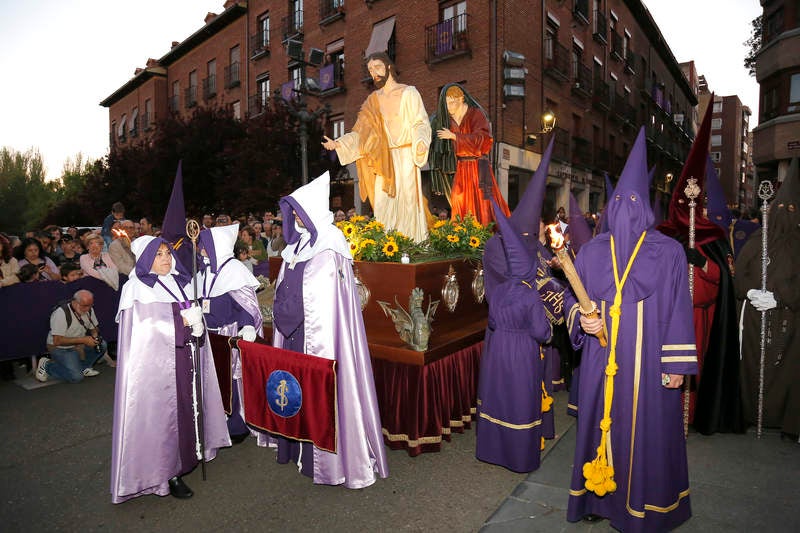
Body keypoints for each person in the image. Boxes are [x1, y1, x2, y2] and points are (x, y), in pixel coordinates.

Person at [566, 129, 697, 531]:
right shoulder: (590, 251)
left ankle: (645, 508)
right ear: (609, 207)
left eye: (634, 201)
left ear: (647, 210)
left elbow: (679, 309)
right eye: (619, 201)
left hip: (648, 366)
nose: (626, 209)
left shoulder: (670, 252)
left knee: (646, 434)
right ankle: (596, 499)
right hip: (600, 362)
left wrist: (677, 365)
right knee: (598, 427)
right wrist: (581, 319)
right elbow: (573, 301)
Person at [263, 171, 388, 488]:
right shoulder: (297, 246)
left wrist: (290, 314)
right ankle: (297, 448)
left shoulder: (330, 245)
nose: (293, 218)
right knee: (295, 390)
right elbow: (284, 288)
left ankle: (326, 459)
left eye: (298, 212)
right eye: (292, 213)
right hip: (293, 334)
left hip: (319, 337)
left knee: (319, 391)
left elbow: (321, 297)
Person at [111, 236, 230, 503]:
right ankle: (167, 472)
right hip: (158, 369)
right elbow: (147, 333)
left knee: (187, 409)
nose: (166, 259)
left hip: (184, 358)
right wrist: (183, 321)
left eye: (167, 253)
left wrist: (195, 320)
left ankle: (189, 454)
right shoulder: (137, 289)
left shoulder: (177, 282)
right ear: (145, 260)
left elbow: (188, 314)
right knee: (164, 417)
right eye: (158, 255)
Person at [656, 104, 743, 435]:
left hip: (699, 317)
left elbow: (721, 280)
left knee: (695, 367)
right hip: (667, 318)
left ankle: (691, 416)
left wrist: (702, 262)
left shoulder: (712, 238)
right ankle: (667, 416)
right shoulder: (665, 236)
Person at [322, 52, 432, 242]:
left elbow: (420, 123)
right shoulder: (373, 100)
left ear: (389, 67)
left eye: (378, 67)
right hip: (382, 159)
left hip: (405, 155)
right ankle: (387, 245)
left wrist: (421, 142)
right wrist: (339, 143)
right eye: (371, 70)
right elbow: (360, 132)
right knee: (383, 204)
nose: (374, 73)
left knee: (407, 202)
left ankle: (413, 244)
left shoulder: (408, 92)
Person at [476, 201, 552, 473]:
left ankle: (492, 450)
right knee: (521, 401)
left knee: (499, 398)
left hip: (499, 350)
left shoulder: (498, 291)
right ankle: (519, 457)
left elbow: (493, 321)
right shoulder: (530, 294)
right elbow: (541, 332)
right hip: (522, 352)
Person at [735, 157, 799, 441]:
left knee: (785, 371)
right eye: (781, 208)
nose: (785, 214)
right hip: (754, 320)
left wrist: (780, 299)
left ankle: (782, 419)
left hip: (788, 321)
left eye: (792, 210)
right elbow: (738, 276)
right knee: (751, 368)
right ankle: (750, 413)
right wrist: (750, 292)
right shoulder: (758, 239)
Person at [198, 223, 262, 443]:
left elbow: (246, 305)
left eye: (205, 245)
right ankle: (216, 422)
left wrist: (248, 325)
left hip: (228, 335)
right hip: (207, 335)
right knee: (213, 380)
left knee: (232, 381)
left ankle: (237, 425)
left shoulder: (234, 270)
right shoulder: (204, 270)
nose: (201, 249)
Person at [429, 83, 510, 225]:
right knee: (459, 200)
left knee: (483, 203)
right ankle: (464, 234)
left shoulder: (475, 114)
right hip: (462, 166)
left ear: (460, 100)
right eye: (446, 104)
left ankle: (485, 234)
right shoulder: (449, 120)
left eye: (450, 103)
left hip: (479, 166)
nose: (448, 107)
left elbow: (482, 139)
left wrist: (455, 137)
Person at [35, 289, 106, 383]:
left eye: (90, 305)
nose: (88, 309)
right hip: (60, 347)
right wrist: (84, 340)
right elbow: (57, 341)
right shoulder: (61, 313)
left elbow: (94, 328)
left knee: (102, 345)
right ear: (75, 302)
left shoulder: (89, 310)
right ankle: (47, 365)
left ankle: (84, 367)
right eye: (85, 306)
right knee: (76, 377)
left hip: (78, 344)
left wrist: (94, 336)